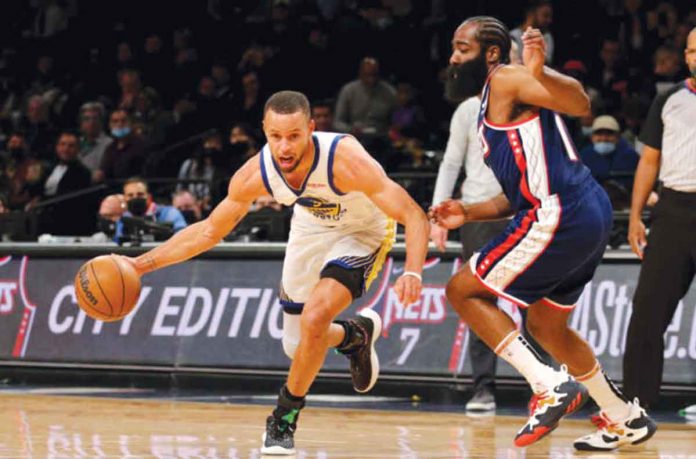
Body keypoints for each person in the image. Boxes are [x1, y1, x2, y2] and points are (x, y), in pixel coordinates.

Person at [121, 91, 429, 455]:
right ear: (264, 131)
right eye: (275, 136)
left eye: (294, 136)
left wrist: (413, 272)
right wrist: (139, 265)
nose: (284, 147)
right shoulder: (257, 173)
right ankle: (354, 337)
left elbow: (413, 214)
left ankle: (283, 418)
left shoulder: (346, 161)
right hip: (311, 228)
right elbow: (208, 231)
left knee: (315, 318)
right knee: (295, 345)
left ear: (311, 129)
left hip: (362, 231)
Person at [430, 17, 655, 451]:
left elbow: (579, 104)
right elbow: (517, 193)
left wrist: (542, 70)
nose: (454, 57)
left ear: (491, 53)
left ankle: (550, 384)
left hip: (561, 212)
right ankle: (625, 416)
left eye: (462, 48)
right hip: (584, 210)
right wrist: (468, 211)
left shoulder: (507, 79)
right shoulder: (489, 101)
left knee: (462, 291)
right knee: (547, 326)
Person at [430, 40, 519, 412]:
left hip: (526, 214)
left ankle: (549, 386)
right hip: (480, 216)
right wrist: (438, 217)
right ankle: (483, 387)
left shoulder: (534, 106)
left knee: (537, 304)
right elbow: (451, 163)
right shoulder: (469, 109)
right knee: (480, 301)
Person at [624, 27, 696, 410]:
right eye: (693, 51)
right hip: (672, 211)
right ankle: (636, 405)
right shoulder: (668, 100)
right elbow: (648, 160)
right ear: (686, 56)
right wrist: (636, 216)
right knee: (648, 310)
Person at [578, 115, 639, 208]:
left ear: (618, 137)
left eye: (609, 134)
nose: (604, 138)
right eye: (599, 134)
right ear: (592, 137)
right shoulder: (583, 156)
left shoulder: (630, 156)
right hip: (590, 206)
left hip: (625, 205)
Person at [114, 177, 187, 241]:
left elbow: (183, 237)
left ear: (149, 197)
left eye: (140, 194)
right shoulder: (124, 218)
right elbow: (118, 241)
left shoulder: (169, 212)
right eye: (130, 195)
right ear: (125, 198)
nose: (135, 198)